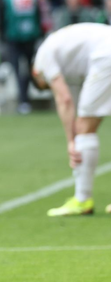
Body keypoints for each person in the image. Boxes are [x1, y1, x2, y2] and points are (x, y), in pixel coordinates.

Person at [32, 23, 111, 216]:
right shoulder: (61, 42)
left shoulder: (43, 59)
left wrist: (71, 141)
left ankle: (82, 199)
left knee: (84, 127)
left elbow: (64, 99)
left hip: (106, 56)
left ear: (36, 74)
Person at [3, 0, 43, 115]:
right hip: (30, 37)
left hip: (15, 38)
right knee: (26, 69)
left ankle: (23, 100)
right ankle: (25, 100)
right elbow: (39, 16)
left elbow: (3, 18)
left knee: (19, 69)